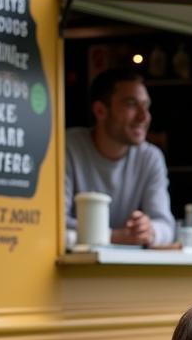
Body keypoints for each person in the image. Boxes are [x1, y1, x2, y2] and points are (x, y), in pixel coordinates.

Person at [65, 65, 176, 246]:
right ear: (100, 111)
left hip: (127, 271)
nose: (144, 116)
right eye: (131, 104)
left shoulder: (150, 157)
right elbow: (52, 223)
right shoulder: (69, 148)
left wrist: (150, 231)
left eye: (146, 106)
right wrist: (115, 237)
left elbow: (166, 225)